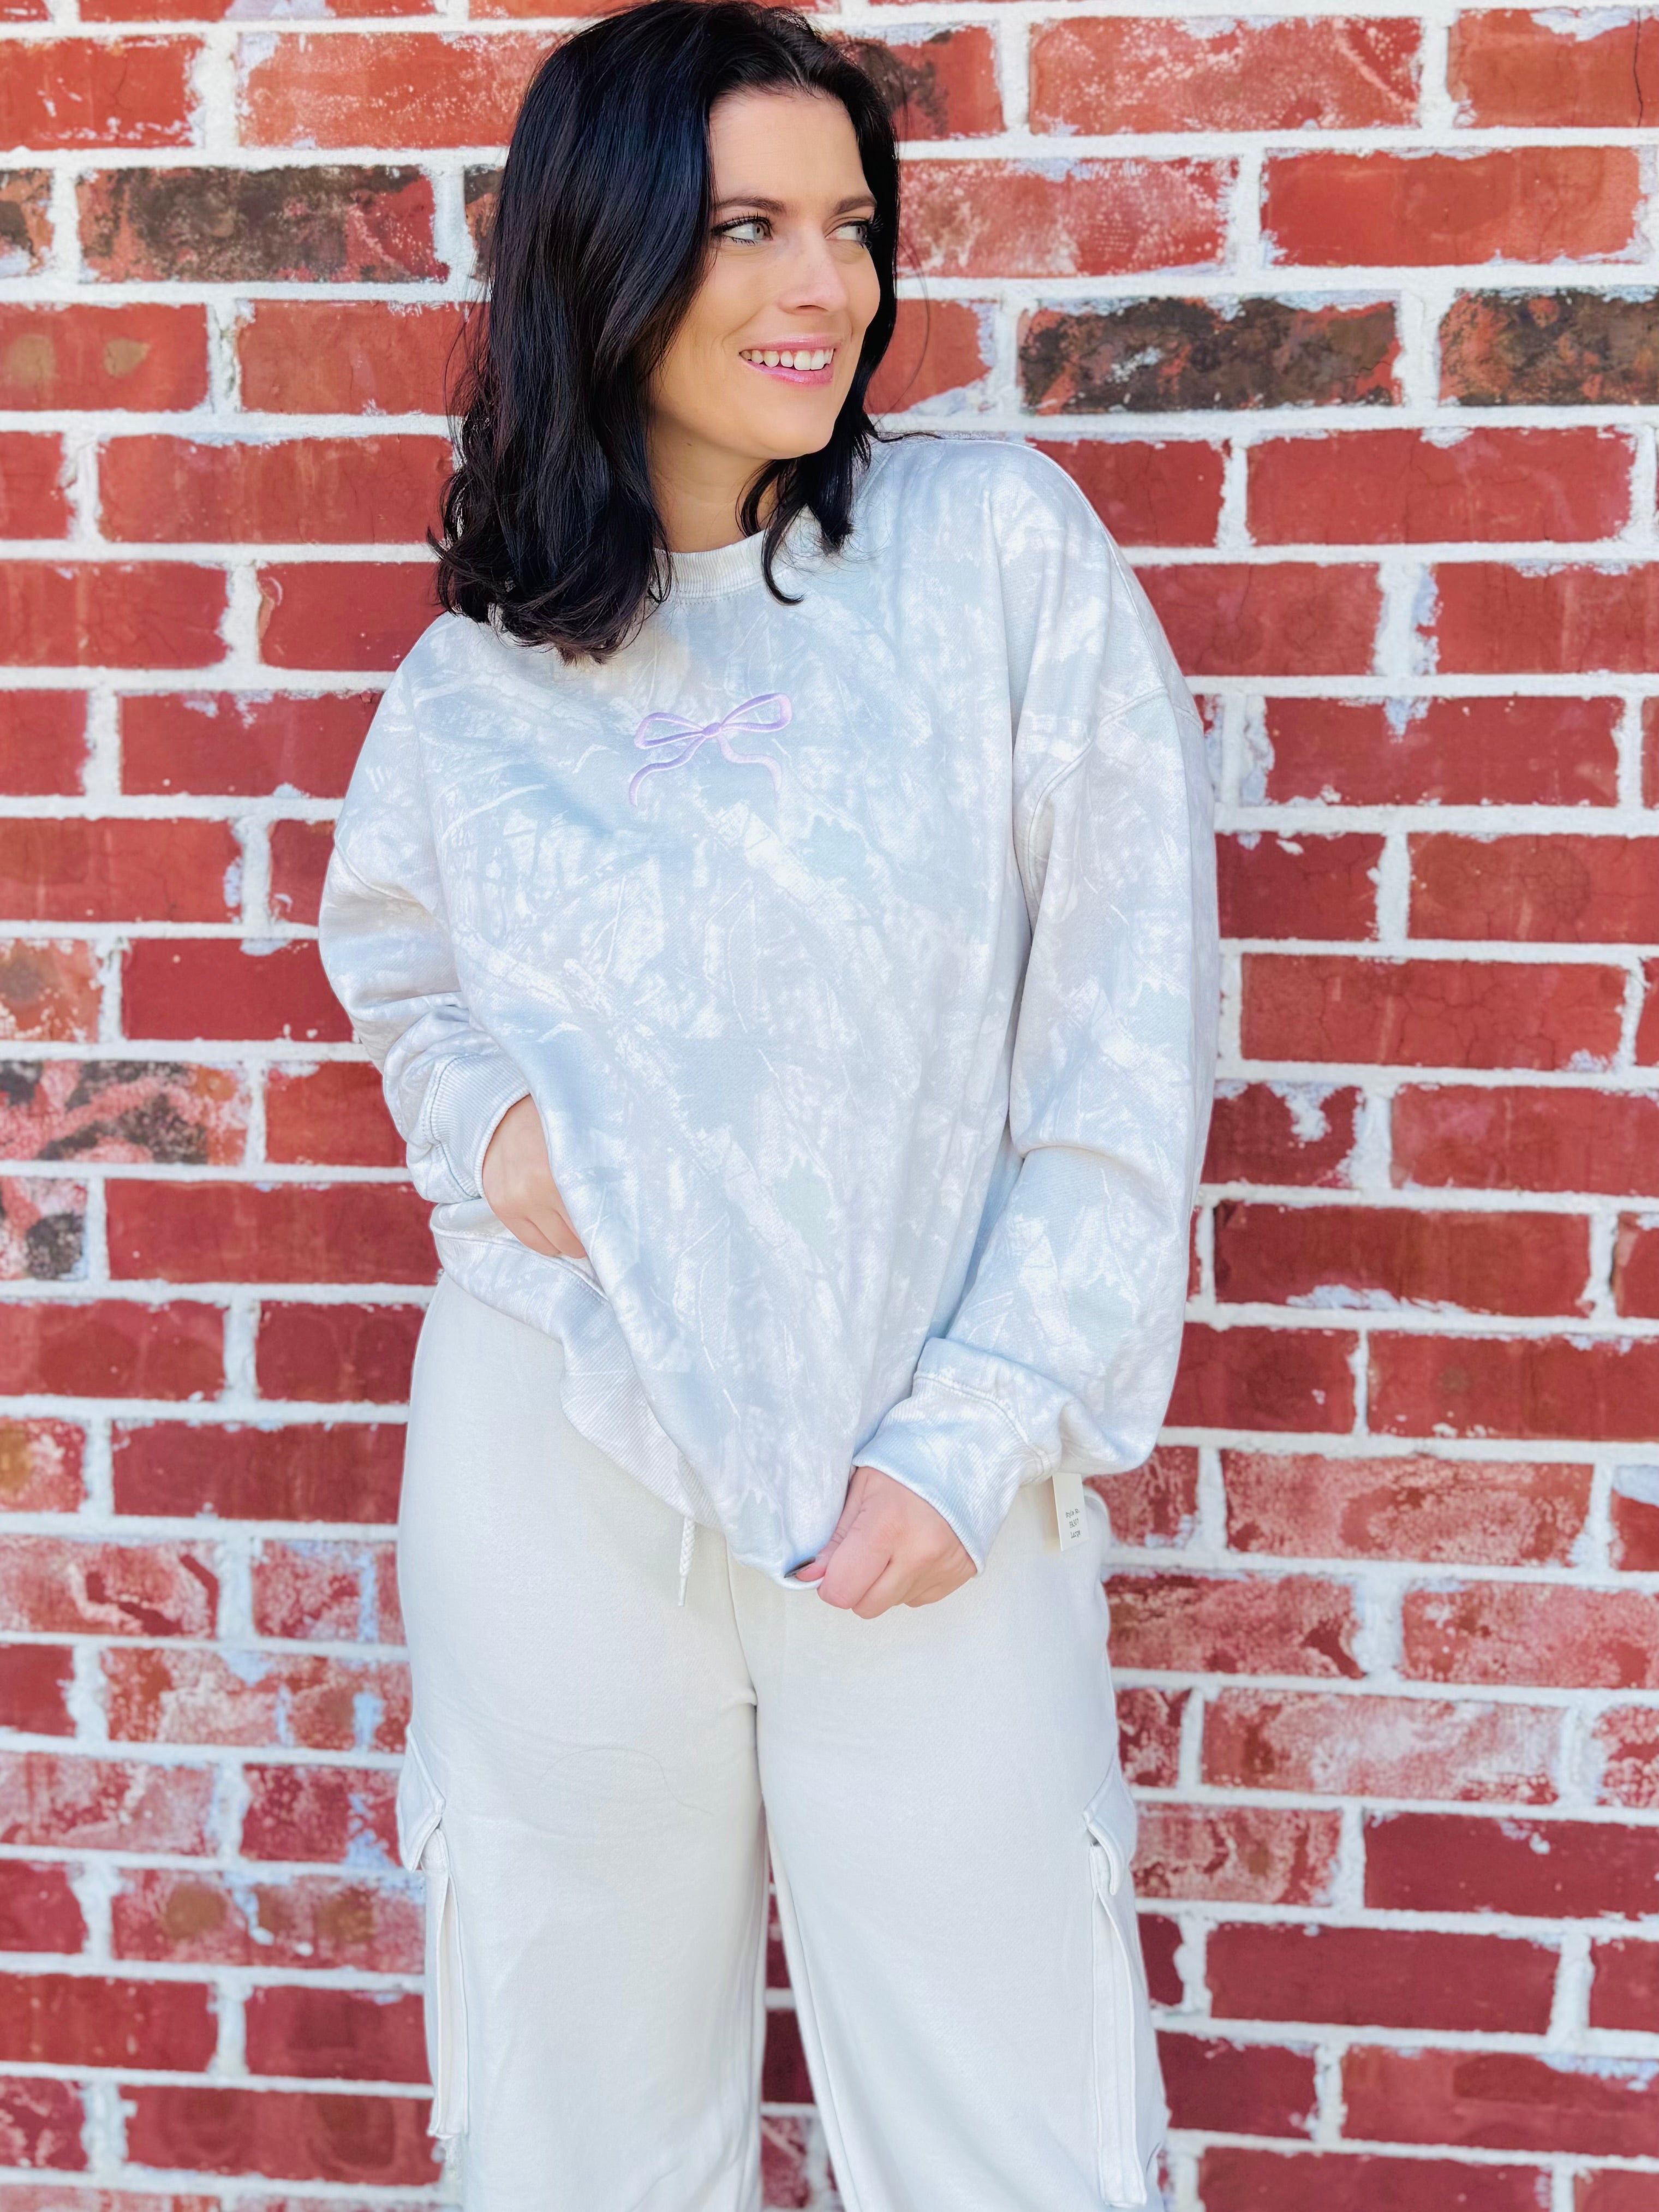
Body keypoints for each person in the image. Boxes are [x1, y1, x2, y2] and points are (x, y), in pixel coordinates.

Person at [315, 3, 1220, 2204]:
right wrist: (496, 1146)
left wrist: (972, 1436)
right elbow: (402, 966)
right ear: (603, 254)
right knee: (574, 2142)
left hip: (919, 1485)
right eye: (746, 228)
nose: (826, 285)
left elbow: (1124, 1045)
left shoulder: (995, 562)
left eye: (850, 225)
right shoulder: (480, 678)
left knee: (1012, 2143)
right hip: (559, 1455)